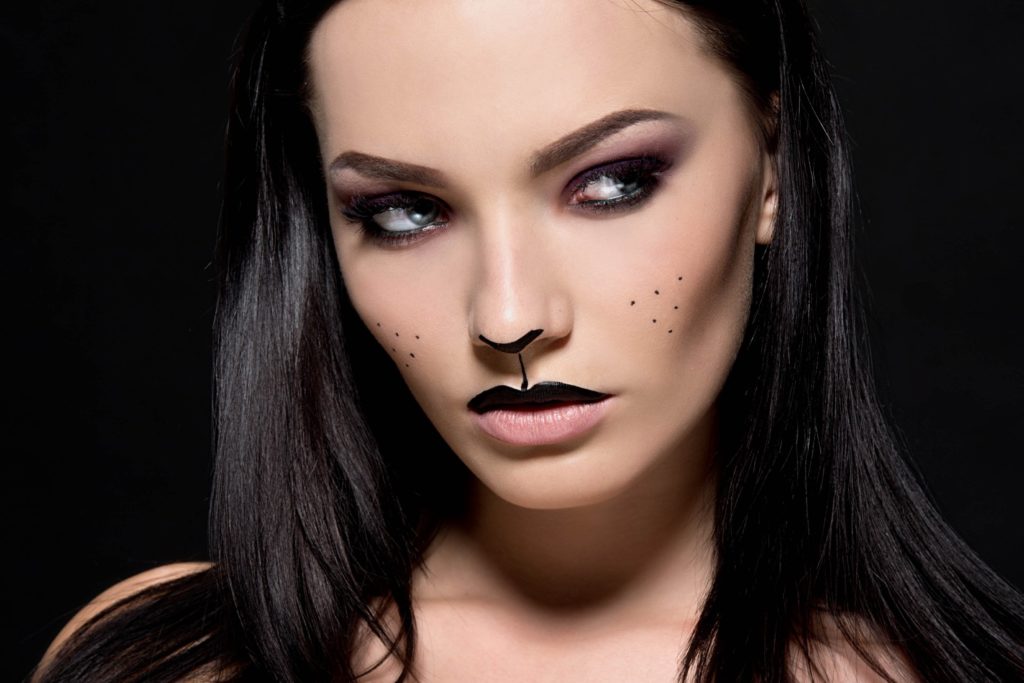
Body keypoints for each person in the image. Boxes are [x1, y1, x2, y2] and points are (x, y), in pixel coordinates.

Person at [32, 0, 1024, 681]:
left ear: (770, 167)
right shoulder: (168, 661)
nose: (507, 317)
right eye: (404, 210)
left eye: (612, 182)